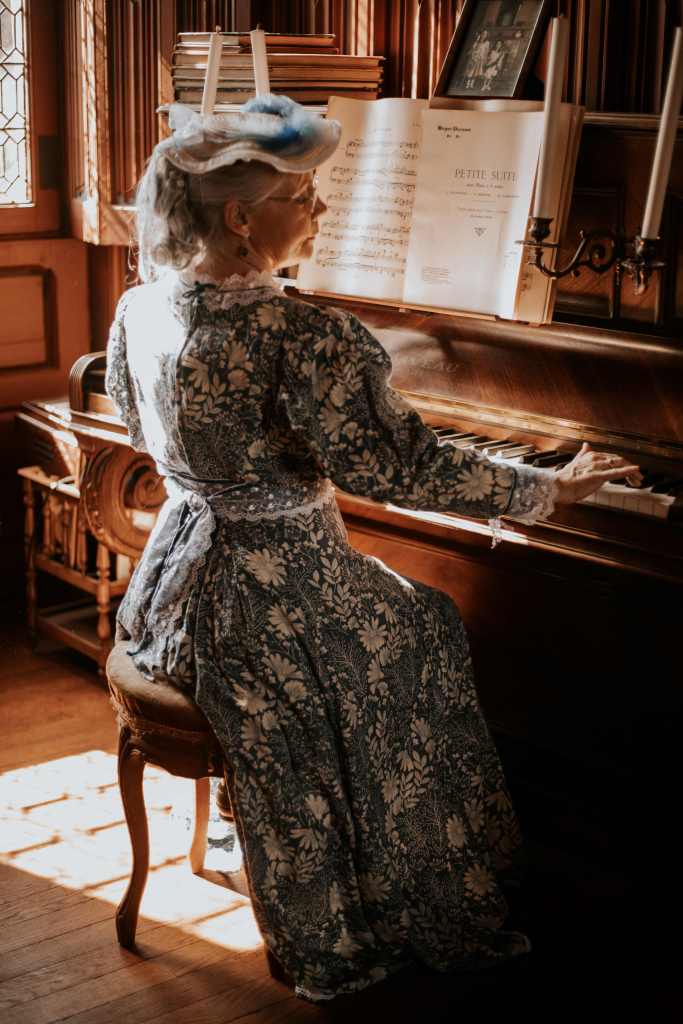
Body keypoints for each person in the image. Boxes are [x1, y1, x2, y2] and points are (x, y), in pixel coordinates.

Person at [105, 95, 640, 1002]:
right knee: (424, 627)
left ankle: (313, 843)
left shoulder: (138, 307)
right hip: (268, 601)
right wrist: (548, 486)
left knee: (410, 614)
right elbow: (403, 469)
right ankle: (403, 885)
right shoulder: (305, 336)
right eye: (303, 196)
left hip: (169, 585)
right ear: (241, 217)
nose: (320, 212)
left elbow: (130, 410)